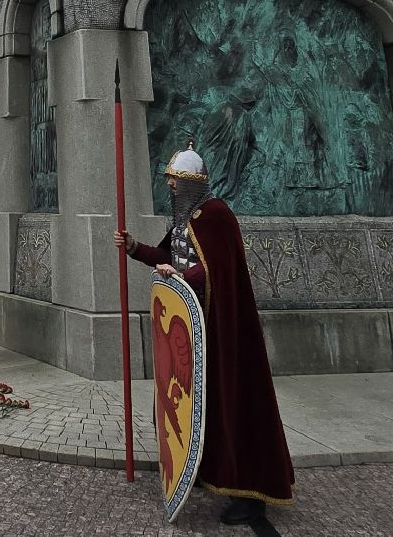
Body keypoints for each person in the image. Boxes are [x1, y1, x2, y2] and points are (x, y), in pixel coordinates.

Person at [116, 143, 293, 526]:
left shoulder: (217, 215)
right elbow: (168, 256)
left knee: (232, 404)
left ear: (193, 182)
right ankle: (203, 468)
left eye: (176, 180)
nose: (171, 186)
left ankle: (248, 492)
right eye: (170, 179)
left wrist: (182, 276)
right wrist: (133, 248)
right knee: (199, 405)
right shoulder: (185, 219)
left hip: (221, 328)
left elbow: (217, 268)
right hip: (194, 331)